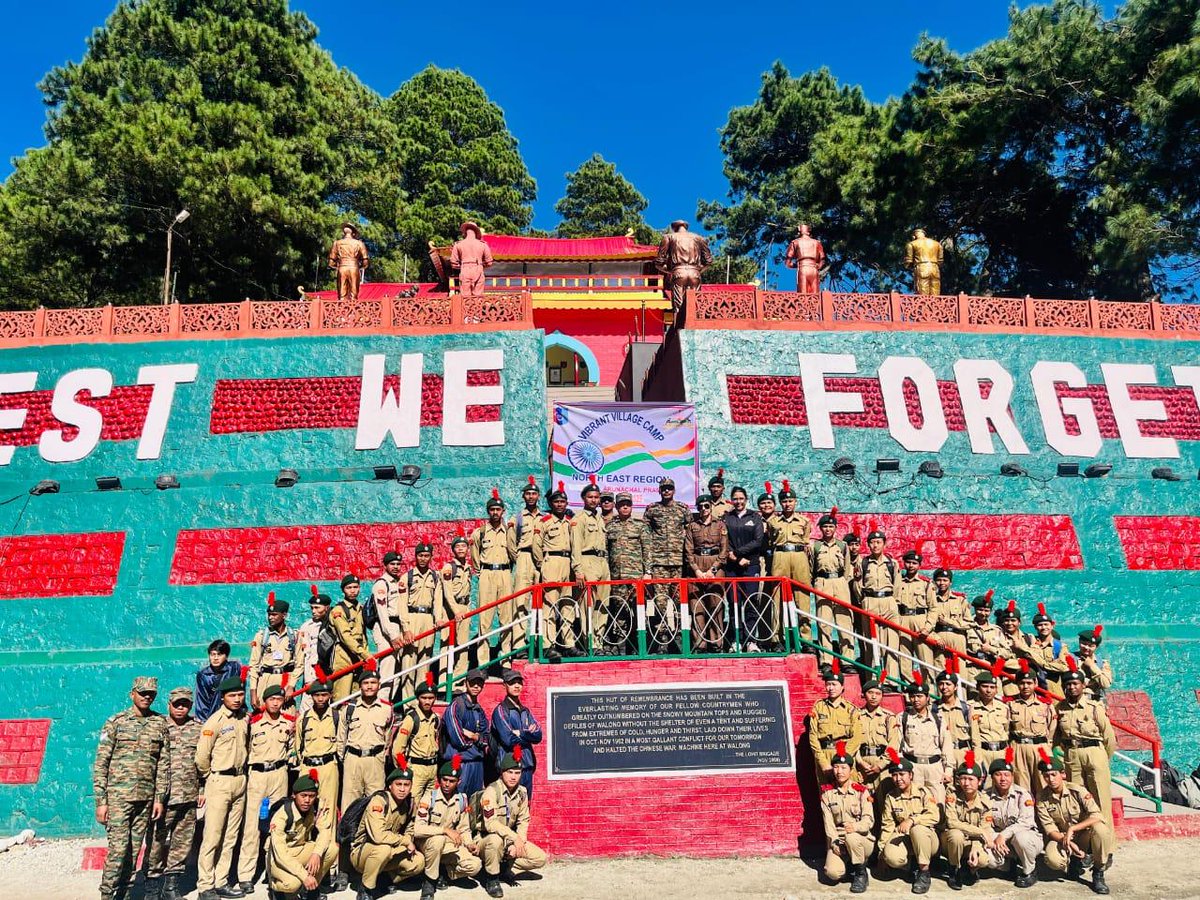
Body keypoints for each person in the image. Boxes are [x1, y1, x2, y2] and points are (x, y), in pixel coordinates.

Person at [93, 676, 169, 900]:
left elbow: (163, 764)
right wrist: (101, 801)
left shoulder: (159, 723)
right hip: (118, 799)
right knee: (118, 851)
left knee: (134, 852)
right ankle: (107, 895)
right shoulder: (116, 722)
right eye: (143, 692)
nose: (147, 697)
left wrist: (159, 798)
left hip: (145, 800)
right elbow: (101, 763)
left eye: (151, 694)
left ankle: (124, 896)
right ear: (132, 694)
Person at [194, 674, 249, 900]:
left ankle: (221, 880)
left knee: (230, 836)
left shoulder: (244, 718)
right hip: (219, 781)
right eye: (232, 695)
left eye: (239, 694)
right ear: (223, 697)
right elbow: (201, 757)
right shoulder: (214, 722)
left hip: (240, 781)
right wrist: (211, 778)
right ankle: (205, 886)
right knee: (213, 836)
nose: (237, 699)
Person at [235, 684, 295, 894]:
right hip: (258, 775)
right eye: (272, 700)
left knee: (277, 826)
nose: (276, 703)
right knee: (252, 826)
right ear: (265, 701)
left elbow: (292, 749)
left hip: (280, 774)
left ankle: (274, 873)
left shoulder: (289, 723)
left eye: (279, 700)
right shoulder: (253, 723)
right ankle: (245, 875)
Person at [145, 686, 202, 900]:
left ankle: (171, 887)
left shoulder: (197, 728)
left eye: (185, 704)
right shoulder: (158, 726)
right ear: (169, 704)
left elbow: (204, 760)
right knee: (156, 843)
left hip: (188, 795)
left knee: (182, 843)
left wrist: (203, 789)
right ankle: (152, 888)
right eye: (177, 704)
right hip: (163, 799)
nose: (180, 708)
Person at [1035, 751, 1113, 895]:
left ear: (1062, 774)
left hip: (1083, 834)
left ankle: (1098, 872)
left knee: (1101, 830)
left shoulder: (1077, 791)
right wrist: (1068, 841)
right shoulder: (1041, 798)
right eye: (1046, 776)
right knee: (1053, 860)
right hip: (1061, 838)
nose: (1050, 779)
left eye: (1054, 774)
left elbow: (1097, 815)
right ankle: (1074, 863)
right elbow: (1049, 828)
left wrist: (1073, 829)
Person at [349, 759, 425, 900]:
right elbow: (378, 836)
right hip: (363, 853)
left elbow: (409, 827)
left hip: (389, 849)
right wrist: (405, 841)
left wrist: (408, 840)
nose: (402, 789)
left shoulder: (409, 803)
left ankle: (384, 879)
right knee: (383, 849)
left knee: (418, 862)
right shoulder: (379, 801)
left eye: (406, 785)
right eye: (398, 785)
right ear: (390, 786)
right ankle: (366, 888)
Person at [477, 748, 548, 897]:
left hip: (509, 839)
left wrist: (520, 841)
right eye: (510, 772)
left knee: (540, 858)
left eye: (517, 773)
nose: (513, 777)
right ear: (502, 772)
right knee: (495, 841)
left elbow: (523, 820)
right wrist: (513, 839)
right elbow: (491, 824)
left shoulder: (522, 792)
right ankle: (492, 879)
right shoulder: (491, 791)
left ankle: (505, 869)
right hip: (487, 838)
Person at [1055, 663, 1116, 831]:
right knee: (1077, 801)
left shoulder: (1094, 707)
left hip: (1095, 753)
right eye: (1068, 684)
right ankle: (1084, 847)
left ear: (1083, 685)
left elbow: (1109, 737)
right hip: (1072, 755)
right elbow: (1056, 738)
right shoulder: (1060, 709)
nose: (1072, 687)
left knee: (1101, 800)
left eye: (1075, 684)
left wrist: (1103, 758)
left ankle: (1104, 848)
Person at [265, 769, 339, 900]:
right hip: (280, 857)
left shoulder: (317, 806)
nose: (307, 800)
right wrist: (304, 875)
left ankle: (309, 888)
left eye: (311, 796)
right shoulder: (282, 815)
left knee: (332, 849)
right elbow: (280, 853)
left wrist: (316, 853)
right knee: (292, 884)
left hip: (301, 849)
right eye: (303, 795)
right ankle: (275, 888)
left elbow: (325, 832)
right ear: (294, 795)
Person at [414, 757, 483, 895]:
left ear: (459, 782)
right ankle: (429, 881)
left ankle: (444, 873)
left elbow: (464, 829)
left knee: (475, 866)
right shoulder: (429, 798)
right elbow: (417, 829)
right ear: (439, 780)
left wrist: (469, 843)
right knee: (438, 840)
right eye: (444, 780)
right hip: (428, 843)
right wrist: (444, 830)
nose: (446, 784)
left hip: (449, 845)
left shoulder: (462, 800)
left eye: (451, 781)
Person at [878, 750, 939, 895]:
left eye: (902, 774)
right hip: (905, 839)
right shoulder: (891, 797)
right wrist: (881, 854)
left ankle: (924, 873)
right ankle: (911, 864)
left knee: (917, 830)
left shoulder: (924, 792)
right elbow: (887, 825)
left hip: (927, 839)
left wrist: (912, 820)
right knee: (891, 857)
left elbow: (934, 816)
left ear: (910, 775)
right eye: (894, 775)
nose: (898, 779)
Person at [642, 477, 691, 651]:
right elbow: (645, 535)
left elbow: (690, 532)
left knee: (677, 602)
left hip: (678, 563)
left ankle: (676, 638)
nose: (666, 491)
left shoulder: (683, 509)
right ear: (659, 491)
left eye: (669, 488)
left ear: (674, 490)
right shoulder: (652, 510)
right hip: (659, 563)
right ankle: (661, 637)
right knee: (660, 602)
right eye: (663, 488)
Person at [818, 742, 874, 893]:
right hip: (839, 839)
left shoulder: (861, 791)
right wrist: (834, 841)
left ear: (851, 770)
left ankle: (861, 873)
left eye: (843, 768)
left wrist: (855, 827)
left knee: (852, 838)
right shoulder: (827, 794)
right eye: (836, 767)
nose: (839, 771)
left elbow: (869, 820)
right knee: (832, 873)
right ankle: (848, 865)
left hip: (861, 839)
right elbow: (828, 823)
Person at [339, 665, 396, 813]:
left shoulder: (386, 709)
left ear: (379, 685)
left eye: (373, 683)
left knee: (375, 803)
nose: (369, 686)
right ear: (360, 686)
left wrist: (382, 757)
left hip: (375, 760)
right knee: (350, 803)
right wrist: (343, 758)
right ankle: (348, 836)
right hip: (353, 759)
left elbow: (388, 737)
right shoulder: (349, 709)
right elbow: (341, 737)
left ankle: (372, 835)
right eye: (366, 683)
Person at [472, 490, 517, 667]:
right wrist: (481, 572)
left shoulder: (509, 531)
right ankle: (483, 662)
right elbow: (475, 556)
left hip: (505, 573)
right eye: (492, 509)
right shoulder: (480, 532)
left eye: (498, 509)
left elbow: (514, 553)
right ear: (488, 511)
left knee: (506, 617)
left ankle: (505, 660)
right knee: (485, 619)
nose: (495, 512)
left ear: (503, 511)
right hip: (487, 573)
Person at [984, 749, 1041, 889]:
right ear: (992, 777)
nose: (1003, 779)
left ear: (1012, 777)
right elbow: (984, 824)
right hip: (999, 840)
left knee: (1021, 838)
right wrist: (994, 838)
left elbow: (1026, 822)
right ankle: (1008, 867)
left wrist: (1004, 835)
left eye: (1006, 775)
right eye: (998, 775)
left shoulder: (1022, 794)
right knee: (987, 857)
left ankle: (1029, 871)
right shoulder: (985, 796)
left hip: (1026, 838)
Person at [396, 541, 444, 702]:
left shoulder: (435, 577)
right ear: (416, 556)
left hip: (428, 619)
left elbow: (437, 601)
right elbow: (402, 604)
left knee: (425, 661)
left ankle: (421, 701)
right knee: (408, 662)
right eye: (420, 555)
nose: (423, 558)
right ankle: (408, 703)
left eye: (426, 555)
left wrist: (438, 620)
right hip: (412, 617)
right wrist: (406, 628)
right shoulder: (407, 577)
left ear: (431, 557)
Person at [767, 480, 813, 646]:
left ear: (795, 502)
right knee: (777, 597)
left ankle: (805, 639)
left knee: (803, 598)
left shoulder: (804, 521)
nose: (787, 504)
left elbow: (806, 542)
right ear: (780, 503)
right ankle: (777, 638)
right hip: (780, 556)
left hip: (799, 556)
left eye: (790, 501)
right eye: (784, 501)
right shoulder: (773, 522)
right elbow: (771, 540)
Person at [605, 491, 651, 654]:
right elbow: (605, 552)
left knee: (638, 610)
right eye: (622, 504)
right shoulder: (609, 527)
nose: (625, 506)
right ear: (616, 506)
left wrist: (648, 572)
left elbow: (647, 550)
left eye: (628, 504)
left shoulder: (640, 526)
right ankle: (622, 644)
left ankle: (638, 644)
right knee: (619, 610)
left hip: (636, 577)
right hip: (617, 577)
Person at [721, 485, 765, 650]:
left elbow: (757, 541)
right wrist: (734, 557)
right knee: (734, 603)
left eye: (741, 498)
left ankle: (751, 640)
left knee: (751, 602)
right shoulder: (727, 518)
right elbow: (723, 541)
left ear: (746, 500)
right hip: (732, 567)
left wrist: (739, 553)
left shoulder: (755, 517)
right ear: (731, 500)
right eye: (735, 499)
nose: (738, 502)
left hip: (750, 566)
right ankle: (736, 640)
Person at [941, 752, 993, 890]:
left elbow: (985, 828)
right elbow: (952, 822)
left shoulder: (985, 803)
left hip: (972, 841)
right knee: (956, 834)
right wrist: (980, 832)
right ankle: (954, 869)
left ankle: (970, 868)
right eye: (963, 779)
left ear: (980, 781)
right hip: (951, 842)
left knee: (983, 860)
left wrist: (975, 847)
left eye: (971, 779)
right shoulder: (952, 794)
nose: (966, 783)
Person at [684, 496, 729, 652]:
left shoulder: (720, 525)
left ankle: (717, 643)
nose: (703, 509)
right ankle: (700, 644)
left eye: (706, 506)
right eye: (700, 506)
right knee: (696, 605)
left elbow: (724, 551)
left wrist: (713, 570)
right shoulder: (692, 526)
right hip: (697, 563)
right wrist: (696, 570)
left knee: (715, 604)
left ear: (711, 507)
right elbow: (688, 551)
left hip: (714, 564)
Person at [807, 663, 863, 786]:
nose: (831, 688)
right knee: (827, 794)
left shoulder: (851, 710)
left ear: (842, 687)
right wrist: (823, 763)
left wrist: (843, 760)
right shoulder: (818, 707)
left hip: (845, 755)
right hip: (825, 755)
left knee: (849, 794)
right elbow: (813, 737)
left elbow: (857, 737)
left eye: (834, 684)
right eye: (828, 685)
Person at [572, 480, 611, 656]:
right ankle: (588, 642)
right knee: (587, 605)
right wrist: (578, 570)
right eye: (590, 497)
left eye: (596, 497)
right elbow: (576, 546)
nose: (594, 500)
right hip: (587, 562)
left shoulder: (599, 518)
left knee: (603, 604)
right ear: (583, 498)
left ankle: (598, 641)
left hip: (602, 563)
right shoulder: (579, 519)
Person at [490, 670, 542, 798]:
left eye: (519, 683)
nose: (517, 686)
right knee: (508, 805)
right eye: (512, 683)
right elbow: (508, 739)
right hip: (509, 765)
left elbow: (538, 735)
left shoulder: (525, 711)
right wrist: (527, 734)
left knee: (525, 805)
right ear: (505, 685)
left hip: (527, 765)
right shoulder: (501, 710)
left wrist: (520, 733)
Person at [899, 677, 952, 803]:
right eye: (912, 696)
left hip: (934, 768)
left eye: (919, 696)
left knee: (939, 805)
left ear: (927, 698)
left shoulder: (938, 718)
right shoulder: (903, 718)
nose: (916, 700)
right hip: (913, 767)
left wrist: (948, 769)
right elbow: (898, 746)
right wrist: (902, 769)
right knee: (915, 804)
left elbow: (946, 746)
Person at [538, 483, 576, 656]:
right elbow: (536, 546)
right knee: (550, 605)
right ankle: (548, 645)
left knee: (567, 605)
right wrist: (543, 564)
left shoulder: (570, 522)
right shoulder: (544, 522)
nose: (560, 504)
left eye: (563, 501)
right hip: (551, 561)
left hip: (567, 563)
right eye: (557, 502)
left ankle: (569, 644)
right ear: (551, 504)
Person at [810, 507, 853, 656]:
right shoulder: (815, 546)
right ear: (820, 528)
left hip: (840, 581)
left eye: (831, 526)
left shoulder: (842, 546)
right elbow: (811, 567)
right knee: (824, 622)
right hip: (822, 582)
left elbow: (847, 568)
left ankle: (847, 659)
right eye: (825, 526)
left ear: (835, 528)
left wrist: (843, 582)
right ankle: (826, 659)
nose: (828, 529)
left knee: (844, 622)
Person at [292, 681, 340, 815]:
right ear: (311, 696)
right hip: (307, 766)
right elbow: (298, 746)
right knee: (304, 808)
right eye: (316, 695)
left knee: (327, 809)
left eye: (324, 695)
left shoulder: (337, 717)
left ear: (330, 695)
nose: (320, 699)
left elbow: (341, 743)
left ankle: (326, 837)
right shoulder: (304, 718)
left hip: (328, 767)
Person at [858, 529, 901, 677]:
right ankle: (873, 679)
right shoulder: (863, 562)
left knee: (892, 643)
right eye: (872, 542)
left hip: (888, 601)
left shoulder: (892, 563)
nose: (875, 545)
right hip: (870, 601)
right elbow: (858, 586)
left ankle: (891, 680)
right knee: (871, 643)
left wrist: (893, 602)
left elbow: (897, 585)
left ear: (884, 544)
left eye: (878, 542)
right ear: (868, 545)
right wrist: (864, 601)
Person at [392, 675, 442, 801]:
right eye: (423, 698)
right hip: (416, 767)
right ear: (418, 698)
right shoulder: (411, 719)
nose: (427, 701)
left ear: (435, 698)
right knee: (413, 804)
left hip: (432, 767)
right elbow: (397, 750)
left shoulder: (436, 718)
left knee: (429, 804)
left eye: (430, 698)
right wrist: (404, 770)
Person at [247, 594, 301, 710]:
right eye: (269, 615)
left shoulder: (294, 636)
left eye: (274, 615)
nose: (271, 618)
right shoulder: (261, 636)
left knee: (287, 715)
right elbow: (253, 665)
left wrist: (291, 685)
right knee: (262, 713)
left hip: (286, 680)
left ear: (284, 615)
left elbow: (299, 664)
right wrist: (253, 692)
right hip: (265, 679)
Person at [1009, 665, 1056, 793]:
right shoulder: (1010, 703)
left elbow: (1052, 726)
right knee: (1021, 787)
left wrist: (1048, 745)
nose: (1025, 686)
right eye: (1022, 683)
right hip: (1018, 747)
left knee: (1044, 784)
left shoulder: (1045, 704)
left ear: (1035, 683)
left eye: (1029, 683)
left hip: (1040, 747)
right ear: (1017, 684)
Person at [444, 670, 490, 796]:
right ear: (466, 683)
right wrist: (477, 741)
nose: (476, 686)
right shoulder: (456, 705)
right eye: (473, 683)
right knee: (457, 803)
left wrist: (474, 736)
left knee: (475, 803)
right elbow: (457, 738)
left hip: (477, 763)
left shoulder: (479, 709)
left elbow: (487, 737)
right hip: (460, 762)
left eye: (479, 683)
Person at [372, 551, 410, 704]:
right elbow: (382, 614)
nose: (395, 567)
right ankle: (381, 704)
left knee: (397, 671)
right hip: (385, 629)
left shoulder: (398, 581)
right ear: (385, 565)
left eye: (398, 564)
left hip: (398, 626)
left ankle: (390, 704)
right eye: (392, 564)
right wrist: (392, 635)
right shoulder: (382, 584)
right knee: (387, 669)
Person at [654, 219, 713, 319]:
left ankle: (678, 330)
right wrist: (699, 270)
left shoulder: (669, 237)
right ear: (686, 227)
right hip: (695, 273)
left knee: (678, 307)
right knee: (695, 306)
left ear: (674, 228)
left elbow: (659, 262)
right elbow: (709, 261)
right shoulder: (699, 238)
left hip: (678, 273)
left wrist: (670, 271)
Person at [510, 476, 544, 646]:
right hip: (523, 557)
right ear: (523, 497)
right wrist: (516, 558)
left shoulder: (544, 518)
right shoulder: (517, 518)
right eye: (528, 494)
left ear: (538, 496)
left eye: (534, 493)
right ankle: (519, 643)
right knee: (520, 601)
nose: (531, 496)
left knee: (541, 601)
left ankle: (540, 642)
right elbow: (511, 542)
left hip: (541, 560)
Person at [855, 674, 899, 802]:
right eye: (870, 693)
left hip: (882, 765)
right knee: (864, 803)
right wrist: (860, 762)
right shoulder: (856, 716)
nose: (874, 696)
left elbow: (893, 744)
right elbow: (852, 741)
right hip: (862, 765)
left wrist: (880, 765)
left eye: (878, 693)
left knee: (884, 803)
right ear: (864, 694)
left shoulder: (888, 717)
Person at [895, 551, 935, 681]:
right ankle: (909, 693)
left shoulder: (926, 583)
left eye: (914, 563)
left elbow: (933, 608)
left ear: (919, 565)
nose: (911, 565)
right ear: (904, 563)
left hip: (920, 620)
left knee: (925, 660)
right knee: (904, 660)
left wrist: (927, 628)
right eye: (908, 562)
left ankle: (928, 693)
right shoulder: (898, 582)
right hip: (903, 619)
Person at [331, 575, 371, 702]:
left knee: (357, 695)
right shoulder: (339, 610)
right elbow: (345, 636)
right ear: (343, 590)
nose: (352, 590)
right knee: (342, 696)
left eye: (355, 587)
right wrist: (365, 654)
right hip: (343, 657)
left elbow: (363, 635)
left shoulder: (360, 608)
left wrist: (365, 653)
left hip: (358, 656)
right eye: (349, 588)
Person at [441, 536, 475, 680]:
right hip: (450, 608)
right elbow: (447, 593)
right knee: (447, 645)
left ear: (468, 549)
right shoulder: (448, 568)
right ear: (453, 550)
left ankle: (458, 680)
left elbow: (468, 591)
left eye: (463, 546)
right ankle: (444, 683)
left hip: (463, 607)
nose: (461, 549)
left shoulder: (468, 567)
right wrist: (456, 611)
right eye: (457, 546)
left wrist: (467, 610)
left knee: (463, 645)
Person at [297, 588, 334, 710]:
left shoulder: (333, 623)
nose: (314, 611)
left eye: (317, 608)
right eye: (312, 608)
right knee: (307, 707)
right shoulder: (306, 627)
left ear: (327, 607)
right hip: (312, 673)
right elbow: (304, 655)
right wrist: (307, 678)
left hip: (330, 671)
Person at [965, 591, 1011, 684]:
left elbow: (1007, 653)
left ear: (991, 611)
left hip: (992, 669)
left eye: (986, 611)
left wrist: (990, 649)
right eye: (980, 610)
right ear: (975, 609)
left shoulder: (996, 630)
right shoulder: (967, 627)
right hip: (972, 669)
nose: (983, 613)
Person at [970, 671, 1010, 773]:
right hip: (984, 753)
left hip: (1002, 752)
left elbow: (1007, 730)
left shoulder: (1003, 708)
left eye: (992, 687)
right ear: (977, 687)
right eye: (985, 686)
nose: (988, 690)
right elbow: (975, 737)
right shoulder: (973, 708)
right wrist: (977, 759)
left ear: (996, 690)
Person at [934, 668, 974, 771]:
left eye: (948, 684)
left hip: (963, 753)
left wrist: (976, 759)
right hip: (943, 755)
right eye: (941, 684)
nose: (944, 687)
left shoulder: (966, 708)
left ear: (955, 687)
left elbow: (975, 737)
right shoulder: (933, 709)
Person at [930, 569, 970, 668]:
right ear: (934, 582)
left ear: (950, 582)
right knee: (940, 669)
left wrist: (948, 622)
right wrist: (936, 638)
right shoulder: (931, 599)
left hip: (958, 637)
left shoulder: (960, 600)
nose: (941, 583)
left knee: (960, 669)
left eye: (945, 580)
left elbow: (969, 623)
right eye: (939, 580)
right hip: (939, 638)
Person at [196, 640, 242, 724]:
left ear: (226, 656)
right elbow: (202, 699)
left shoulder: (234, 668)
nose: (215, 658)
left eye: (219, 654)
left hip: (233, 716)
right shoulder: (204, 675)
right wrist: (206, 722)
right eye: (213, 654)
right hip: (212, 717)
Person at [1030, 603, 1069, 698]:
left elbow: (1063, 667)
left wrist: (1042, 663)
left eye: (1046, 624)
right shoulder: (1031, 643)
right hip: (1034, 689)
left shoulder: (1060, 647)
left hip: (1053, 689)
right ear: (1035, 627)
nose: (1043, 627)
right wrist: (1052, 665)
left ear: (1052, 625)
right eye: (1040, 625)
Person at [451, 221, 494, 301]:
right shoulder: (483, 245)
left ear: (466, 232)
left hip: (465, 270)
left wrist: (462, 266)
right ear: (476, 232)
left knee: (465, 297)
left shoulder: (458, 245)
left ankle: (466, 312)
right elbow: (489, 262)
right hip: (478, 269)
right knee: (478, 296)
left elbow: (453, 263)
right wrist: (481, 265)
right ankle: (476, 312)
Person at [328, 222, 369, 301]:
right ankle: (353, 311)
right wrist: (360, 267)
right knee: (354, 294)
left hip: (342, 268)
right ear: (353, 233)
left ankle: (341, 311)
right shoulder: (359, 243)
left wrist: (337, 267)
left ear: (344, 232)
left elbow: (331, 262)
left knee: (341, 295)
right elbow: (365, 262)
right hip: (354, 268)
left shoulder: (337, 243)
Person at [785, 223, 827, 293]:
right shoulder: (817, 243)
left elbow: (787, 263)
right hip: (814, 269)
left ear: (799, 232)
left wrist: (796, 265)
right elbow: (822, 260)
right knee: (815, 295)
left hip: (803, 269)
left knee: (803, 296)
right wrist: (818, 266)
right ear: (808, 232)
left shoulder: (795, 242)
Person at [1076, 626, 1113, 701]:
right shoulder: (1070, 659)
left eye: (1090, 646)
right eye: (1084, 644)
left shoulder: (1102, 663)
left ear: (1096, 647)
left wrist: (1092, 666)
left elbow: (1106, 684)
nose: (1086, 648)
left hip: (1095, 702)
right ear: (1079, 642)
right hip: (1075, 701)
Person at [904, 228, 943, 296]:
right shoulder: (937, 244)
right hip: (935, 268)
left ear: (914, 236)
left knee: (922, 290)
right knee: (935, 290)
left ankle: (925, 306)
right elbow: (940, 260)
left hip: (921, 267)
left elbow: (908, 261)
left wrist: (908, 266)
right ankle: (935, 305)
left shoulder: (912, 244)